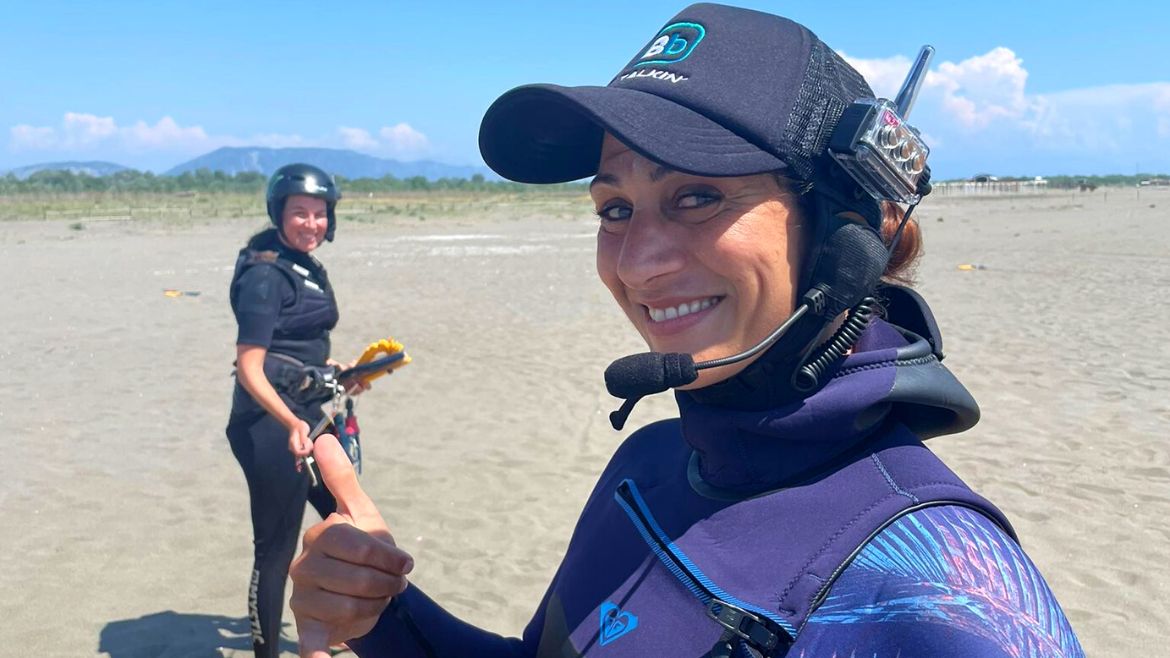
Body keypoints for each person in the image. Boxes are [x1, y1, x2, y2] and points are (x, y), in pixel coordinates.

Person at [287, 5, 1085, 657]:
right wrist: (382, 612)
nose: (637, 264)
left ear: (847, 229)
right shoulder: (650, 463)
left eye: (698, 196)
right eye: (614, 209)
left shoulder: (942, 590)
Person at [227, 163, 365, 658]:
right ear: (279, 214)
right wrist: (289, 423)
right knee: (276, 548)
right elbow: (250, 366)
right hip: (269, 426)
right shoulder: (264, 275)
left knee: (344, 524)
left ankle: (331, 629)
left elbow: (299, 345)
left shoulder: (302, 265)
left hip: (310, 412)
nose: (311, 223)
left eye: (320, 214)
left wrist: (339, 371)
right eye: (299, 213)